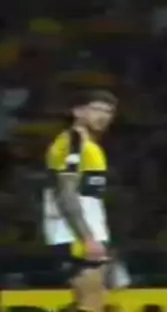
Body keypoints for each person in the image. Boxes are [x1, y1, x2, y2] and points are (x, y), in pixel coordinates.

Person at [42, 90, 119, 312]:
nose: (103, 116)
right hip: (73, 233)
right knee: (91, 301)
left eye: (108, 111)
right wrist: (87, 238)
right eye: (96, 109)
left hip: (87, 231)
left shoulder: (89, 145)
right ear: (78, 112)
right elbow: (65, 194)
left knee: (94, 299)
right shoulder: (73, 142)